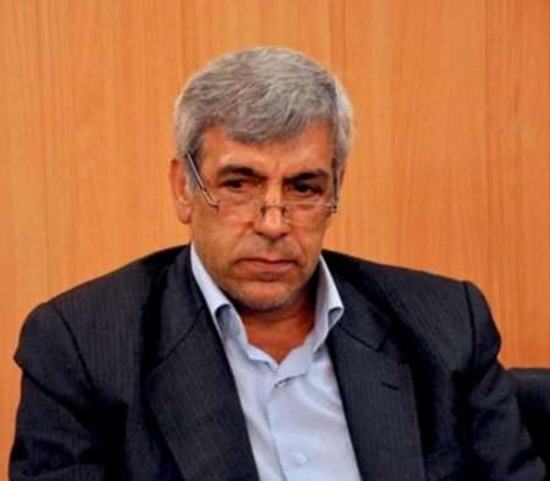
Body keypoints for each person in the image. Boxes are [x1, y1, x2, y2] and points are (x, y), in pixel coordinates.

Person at [10, 46, 546, 481]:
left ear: (336, 191)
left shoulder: (446, 327)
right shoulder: (83, 347)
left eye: (303, 188)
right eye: (238, 185)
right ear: (183, 189)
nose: (272, 222)